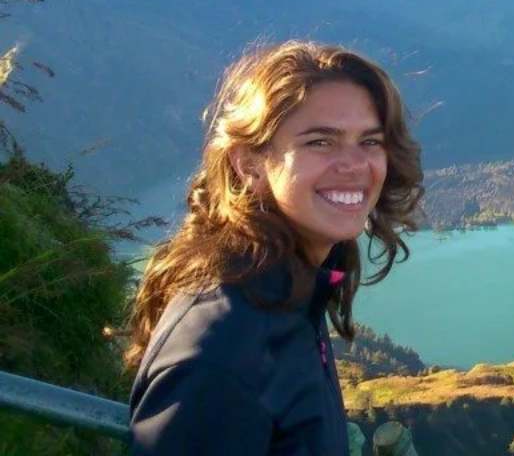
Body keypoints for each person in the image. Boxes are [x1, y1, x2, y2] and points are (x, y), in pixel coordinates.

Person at [124, 41, 424, 454]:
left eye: (370, 142)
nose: (355, 165)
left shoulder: (287, 290)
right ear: (249, 163)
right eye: (321, 141)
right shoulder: (223, 350)